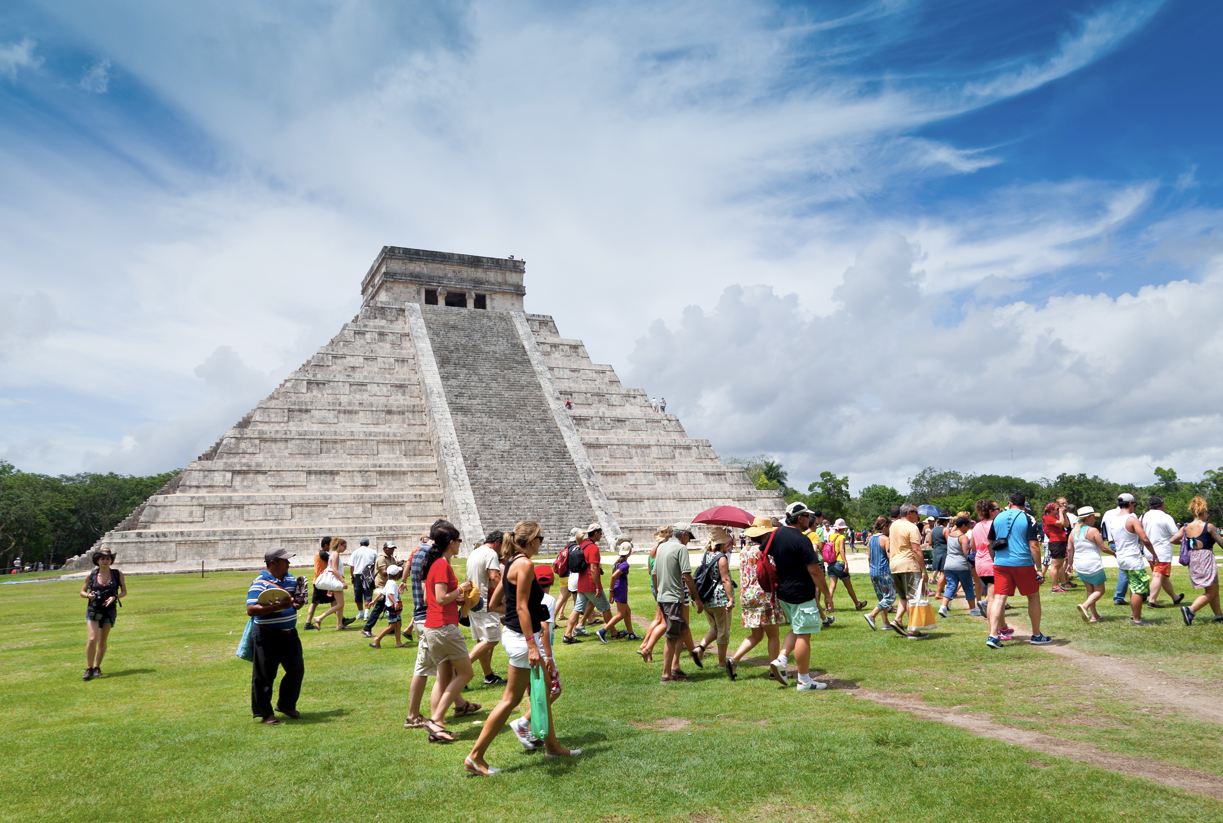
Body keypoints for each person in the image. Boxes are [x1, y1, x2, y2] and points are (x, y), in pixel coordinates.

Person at [465, 522, 580, 775]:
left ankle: (552, 746)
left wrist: (515, 625)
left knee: (545, 689)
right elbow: (520, 608)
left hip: (518, 635)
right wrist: (530, 644)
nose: (542, 540)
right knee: (510, 699)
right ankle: (475, 756)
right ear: (530, 541)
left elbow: (496, 603)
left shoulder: (509, 564)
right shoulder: (525, 565)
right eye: (540, 536)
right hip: (523, 639)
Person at [416, 521, 476, 744]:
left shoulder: (435, 564)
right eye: (458, 541)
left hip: (434, 627)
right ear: (451, 543)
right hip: (443, 627)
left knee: (443, 677)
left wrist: (457, 596)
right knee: (466, 674)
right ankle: (437, 720)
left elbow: (432, 597)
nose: (460, 544)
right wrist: (461, 589)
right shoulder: (441, 565)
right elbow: (441, 598)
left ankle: (437, 724)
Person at [768, 502, 831, 691]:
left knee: (796, 627)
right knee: (804, 634)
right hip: (801, 593)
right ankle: (804, 680)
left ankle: (782, 658)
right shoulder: (801, 539)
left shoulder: (776, 535)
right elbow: (815, 570)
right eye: (806, 516)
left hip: (783, 592)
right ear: (799, 518)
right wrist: (827, 595)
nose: (809, 520)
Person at [245, 548, 306, 724]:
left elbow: (293, 603)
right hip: (266, 635)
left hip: (289, 634)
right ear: (273, 563)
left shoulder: (290, 579)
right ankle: (265, 713)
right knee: (265, 675)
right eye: (285, 561)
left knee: (296, 669)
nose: (289, 563)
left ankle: (286, 705)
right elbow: (251, 609)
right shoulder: (260, 583)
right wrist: (279, 606)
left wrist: (298, 602)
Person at [985, 493, 1051, 649]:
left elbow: (989, 543)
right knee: (1033, 597)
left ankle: (993, 635)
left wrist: (995, 558)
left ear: (1009, 503)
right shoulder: (1029, 518)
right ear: (1024, 504)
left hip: (1001, 563)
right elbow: (1034, 545)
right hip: (1022, 562)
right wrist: (1039, 569)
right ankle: (1036, 634)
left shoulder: (998, 518)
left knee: (999, 598)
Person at [728, 517, 785, 680]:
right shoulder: (764, 551)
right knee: (773, 635)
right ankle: (774, 670)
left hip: (748, 595)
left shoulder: (744, 551)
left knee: (756, 635)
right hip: (764, 594)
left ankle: (733, 660)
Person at [653, 524, 704, 683]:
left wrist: (658, 593)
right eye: (688, 536)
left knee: (683, 629)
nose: (688, 540)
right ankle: (666, 675)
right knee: (672, 637)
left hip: (663, 597)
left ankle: (685, 659)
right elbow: (687, 576)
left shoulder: (661, 547)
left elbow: (654, 574)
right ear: (683, 535)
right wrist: (697, 598)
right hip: (674, 598)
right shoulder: (681, 549)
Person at [1101, 493, 1158, 626]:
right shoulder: (1132, 519)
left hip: (1121, 557)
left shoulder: (1113, 520)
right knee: (1138, 590)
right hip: (1132, 558)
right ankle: (1137, 619)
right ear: (1130, 503)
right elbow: (1144, 539)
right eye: (1135, 504)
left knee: (1133, 586)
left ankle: (1134, 615)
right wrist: (1154, 554)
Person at [1172, 496, 1223, 626]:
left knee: (1212, 587)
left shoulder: (1186, 527)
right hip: (1206, 558)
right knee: (1211, 591)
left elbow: (1173, 540)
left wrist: (1189, 543)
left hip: (1194, 559)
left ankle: (1218, 615)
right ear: (1203, 512)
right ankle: (1190, 610)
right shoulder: (1209, 527)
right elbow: (1221, 543)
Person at [466, 531, 507, 686]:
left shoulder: (475, 553)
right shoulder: (491, 554)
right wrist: (503, 597)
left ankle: (488, 675)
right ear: (497, 542)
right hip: (486, 602)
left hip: (474, 601)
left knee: (482, 640)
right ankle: (460, 669)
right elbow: (494, 577)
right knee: (492, 638)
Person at [80, 548, 127, 680]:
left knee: (102, 641)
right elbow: (82, 592)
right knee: (92, 638)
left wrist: (115, 597)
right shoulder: (92, 575)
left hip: (109, 610)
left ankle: (97, 667)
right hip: (93, 610)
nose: (105, 561)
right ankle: (88, 668)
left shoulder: (117, 574)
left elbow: (124, 591)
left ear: (111, 560)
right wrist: (89, 595)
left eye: (107, 558)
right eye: (102, 558)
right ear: (97, 560)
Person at [693, 527, 735, 672]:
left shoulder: (706, 555)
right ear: (722, 543)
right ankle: (722, 663)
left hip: (707, 598)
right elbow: (725, 580)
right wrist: (730, 598)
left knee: (715, 628)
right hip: (719, 598)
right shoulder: (721, 558)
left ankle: (699, 648)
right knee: (723, 631)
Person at [563, 523, 612, 643]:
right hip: (590, 584)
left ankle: (567, 634)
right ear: (595, 533)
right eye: (600, 533)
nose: (601, 535)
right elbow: (594, 569)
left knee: (577, 609)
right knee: (605, 608)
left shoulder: (582, 545)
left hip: (581, 583)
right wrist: (597, 586)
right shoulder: (593, 548)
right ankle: (613, 632)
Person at [887, 504, 927, 638]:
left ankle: (898, 620)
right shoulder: (912, 527)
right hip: (909, 564)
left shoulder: (894, 525)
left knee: (903, 597)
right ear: (910, 513)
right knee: (913, 598)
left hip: (894, 565)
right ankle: (913, 630)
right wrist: (924, 570)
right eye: (916, 512)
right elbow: (916, 549)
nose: (918, 516)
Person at [637, 524, 675, 662]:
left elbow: (649, 571)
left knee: (658, 618)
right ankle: (647, 646)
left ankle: (645, 644)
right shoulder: (663, 550)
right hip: (662, 587)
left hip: (655, 586)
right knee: (664, 621)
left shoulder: (652, 551)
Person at [1069, 507, 1114, 623]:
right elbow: (1103, 548)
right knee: (1100, 590)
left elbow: (1070, 549)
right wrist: (1116, 554)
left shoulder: (1074, 531)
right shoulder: (1092, 530)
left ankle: (1095, 616)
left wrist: (1069, 564)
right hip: (1092, 564)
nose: (1094, 519)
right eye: (1093, 516)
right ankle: (1085, 606)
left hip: (1079, 565)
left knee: (1090, 590)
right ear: (1088, 517)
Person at [1141, 496, 1184, 607]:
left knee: (1161, 576)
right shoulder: (1166, 517)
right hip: (1162, 551)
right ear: (1161, 505)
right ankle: (1152, 600)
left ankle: (1175, 598)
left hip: (1149, 551)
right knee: (1158, 576)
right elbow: (1176, 534)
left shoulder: (1143, 516)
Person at [310, 537, 356, 630]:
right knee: (340, 604)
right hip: (336, 580)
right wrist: (342, 581)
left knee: (340, 604)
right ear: (339, 545)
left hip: (334, 581)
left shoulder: (333, 554)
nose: (345, 548)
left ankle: (339, 625)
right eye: (344, 546)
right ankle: (320, 618)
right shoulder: (335, 555)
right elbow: (334, 569)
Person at [939, 516, 981, 617]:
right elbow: (966, 553)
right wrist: (971, 550)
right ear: (962, 526)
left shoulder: (950, 535)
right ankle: (973, 609)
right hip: (961, 566)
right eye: (967, 526)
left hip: (948, 565)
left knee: (951, 586)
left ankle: (943, 607)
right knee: (968, 587)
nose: (968, 528)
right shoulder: (963, 537)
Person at [600, 538, 638, 642]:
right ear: (629, 552)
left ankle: (631, 634)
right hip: (620, 590)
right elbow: (613, 576)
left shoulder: (617, 562)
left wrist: (612, 592)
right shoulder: (625, 564)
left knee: (627, 611)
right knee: (621, 614)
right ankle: (603, 630)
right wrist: (611, 591)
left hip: (618, 589)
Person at [362, 540, 402, 638]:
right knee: (380, 608)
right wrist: (396, 568)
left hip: (388, 585)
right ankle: (367, 628)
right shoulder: (381, 559)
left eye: (393, 548)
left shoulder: (391, 558)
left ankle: (391, 627)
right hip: (382, 585)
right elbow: (384, 573)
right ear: (385, 549)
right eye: (390, 548)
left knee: (388, 607)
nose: (392, 550)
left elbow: (394, 574)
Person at [824, 519, 866, 611]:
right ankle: (857, 604)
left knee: (832, 586)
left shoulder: (830, 536)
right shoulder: (841, 537)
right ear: (841, 528)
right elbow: (842, 550)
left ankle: (829, 606)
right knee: (849, 586)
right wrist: (846, 563)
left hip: (831, 563)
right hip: (839, 563)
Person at [863, 516, 895, 631]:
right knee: (890, 597)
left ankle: (886, 623)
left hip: (873, 571)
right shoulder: (886, 539)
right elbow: (889, 556)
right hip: (884, 572)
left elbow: (869, 557)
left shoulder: (871, 539)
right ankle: (872, 615)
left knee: (882, 598)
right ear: (885, 526)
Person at [369, 565, 406, 648]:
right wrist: (395, 603)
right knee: (392, 626)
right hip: (392, 607)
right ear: (397, 575)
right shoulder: (392, 583)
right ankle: (377, 639)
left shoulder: (389, 582)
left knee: (398, 624)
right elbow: (389, 595)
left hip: (393, 607)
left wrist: (374, 601)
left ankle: (398, 642)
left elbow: (383, 592)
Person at [552, 527, 584, 623]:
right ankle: (578, 621)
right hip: (570, 575)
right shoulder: (575, 547)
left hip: (563, 575)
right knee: (574, 598)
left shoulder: (567, 546)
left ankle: (554, 618)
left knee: (562, 597)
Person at [303, 536, 333, 629]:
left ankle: (307, 623)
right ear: (325, 545)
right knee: (335, 601)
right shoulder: (323, 554)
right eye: (330, 545)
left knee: (318, 603)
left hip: (318, 581)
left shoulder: (319, 553)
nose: (331, 547)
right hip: (322, 582)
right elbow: (334, 560)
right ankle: (341, 620)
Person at [1043, 501, 1071, 593]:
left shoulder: (1056, 517)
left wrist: (1064, 514)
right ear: (1050, 510)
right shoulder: (1047, 517)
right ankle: (1054, 586)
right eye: (1057, 509)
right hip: (1056, 542)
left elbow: (1066, 524)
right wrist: (1061, 513)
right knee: (1055, 565)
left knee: (1059, 565)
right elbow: (1061, 523)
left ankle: (1057, 585)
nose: (1059, 510)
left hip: (1061, 542)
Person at [349, 538, 378, 621]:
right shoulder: (373, 552)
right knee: (368, 594)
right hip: (368, 574)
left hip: (358, 575)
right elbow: (375, 565)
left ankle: (361, 612)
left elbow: (351, 566)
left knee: (358, 594)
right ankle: (366, 614)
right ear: (368, 544)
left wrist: (352, 576)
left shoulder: (355, 552)